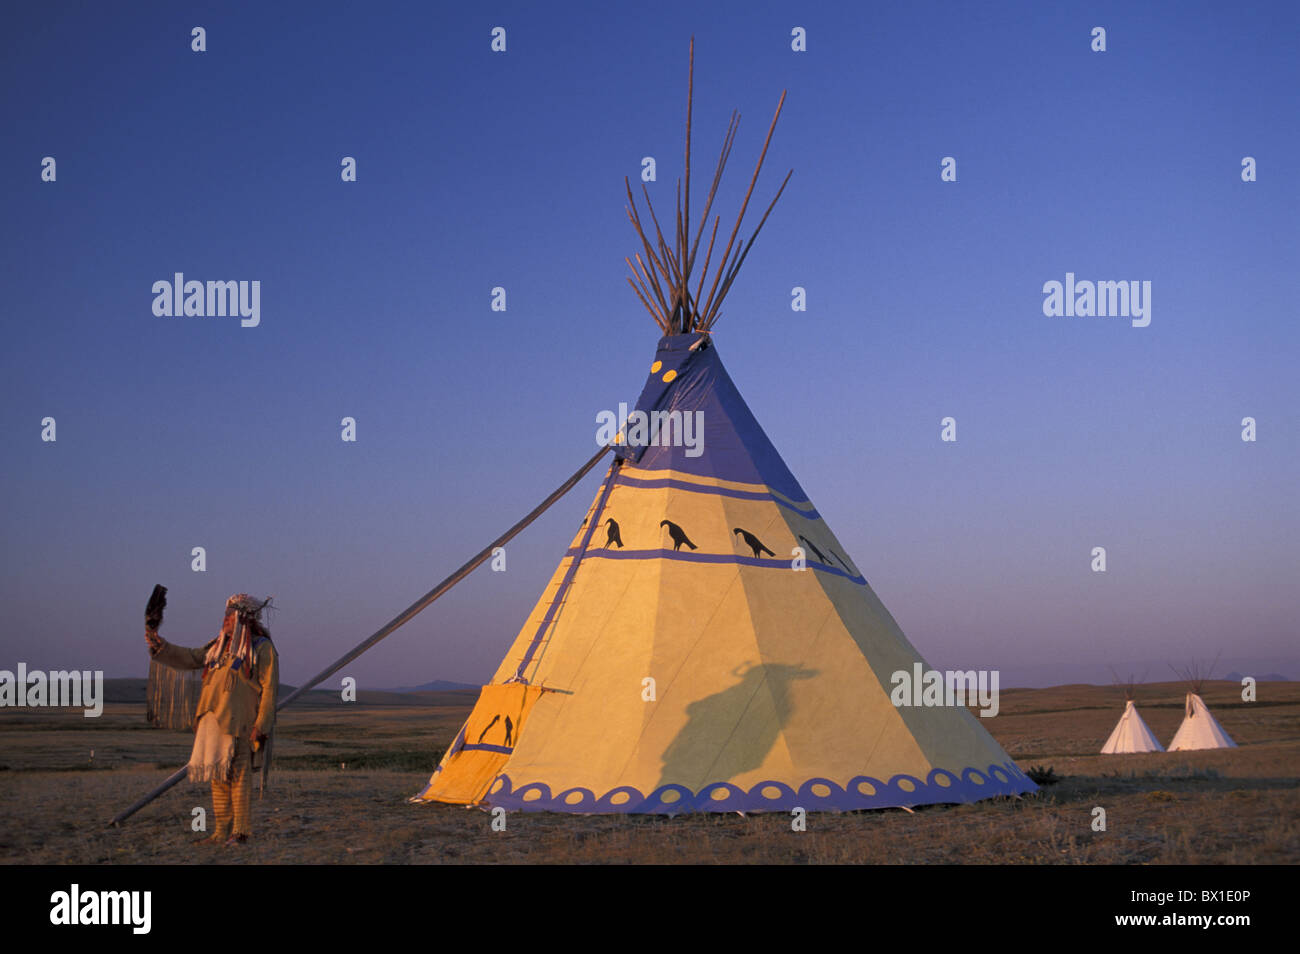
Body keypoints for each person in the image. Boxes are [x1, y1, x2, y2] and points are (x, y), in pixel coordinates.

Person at [145, 593, 278, 846]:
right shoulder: (218, 646)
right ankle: (220, 832)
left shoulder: (261, 648)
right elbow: (192, 657)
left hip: (239, 721)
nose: (225, 619)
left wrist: (261, 725)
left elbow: (269, 689)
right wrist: (160, 645)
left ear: (244, 618)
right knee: (218, 777)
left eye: (230, 615)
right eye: (225, 615)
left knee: (239, 776)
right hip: (211, 720)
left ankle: (240, 834)